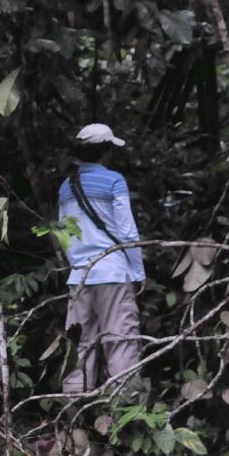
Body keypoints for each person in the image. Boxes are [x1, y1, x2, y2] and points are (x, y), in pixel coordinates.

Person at [59, 123, 145, 394]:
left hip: (80, 276)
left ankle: (73, 420)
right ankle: (127, 414)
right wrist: (138, 271)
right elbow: (127, 231)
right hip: (113, 273)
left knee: (79, 347)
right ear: (106, 151)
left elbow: (64, 234)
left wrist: (77, 264)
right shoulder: (114, 180)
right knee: (120, 341)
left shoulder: (65, 187)